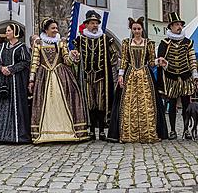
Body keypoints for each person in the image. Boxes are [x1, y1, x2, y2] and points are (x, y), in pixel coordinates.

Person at [29, 18, 89, 144]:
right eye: (53, 28)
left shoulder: (61, 42)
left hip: (61, 75)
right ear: (46, 30)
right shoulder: (39, 43)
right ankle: (45, 132)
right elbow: (35, 62)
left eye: (56, 28)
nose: (56, 30)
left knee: (64, 100)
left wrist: (74, 57)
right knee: (45, 103)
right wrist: (31, 79)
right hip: (43, 76)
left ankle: (67, 130)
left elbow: (66, 60)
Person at [112, 17, 165, 143]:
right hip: (130, 74)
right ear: (131, 29)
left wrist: (159, 61)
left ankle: (147, 133)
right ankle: (129, 134)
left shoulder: (149, 43)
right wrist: (120, 75)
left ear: (142, 29)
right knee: (129, 103)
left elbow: (151, 62)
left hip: (144, 75)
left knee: (147, 104)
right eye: (134, 29)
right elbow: (124, 60)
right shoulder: (126, 43)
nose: (136, 31)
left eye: (139, 29)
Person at [70, 11, 117, 140]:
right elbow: (75, 56)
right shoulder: (80, 40)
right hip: (86, 77)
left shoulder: (106, 39)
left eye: (96, 23)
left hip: (101, 76)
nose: (95, 25)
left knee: (101, 103)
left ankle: (102, 130)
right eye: (92, 23)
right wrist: (75, 57)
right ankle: (91, 131)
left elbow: (114, 54)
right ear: (86, 25)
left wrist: (110, 64)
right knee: (90, 103)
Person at [155, 12, 197, 140]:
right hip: (170, 78)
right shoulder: (165, 42)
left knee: (186, 105)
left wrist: (194, 73)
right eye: (176, 25)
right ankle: (172, 130)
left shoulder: (188, 42)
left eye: (180, 24)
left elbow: (192, 58)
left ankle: (186, 130)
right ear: (171, 27)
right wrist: (165, 64)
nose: (179, 27)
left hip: (185, 77)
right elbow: (160, 59)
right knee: (172, 105)